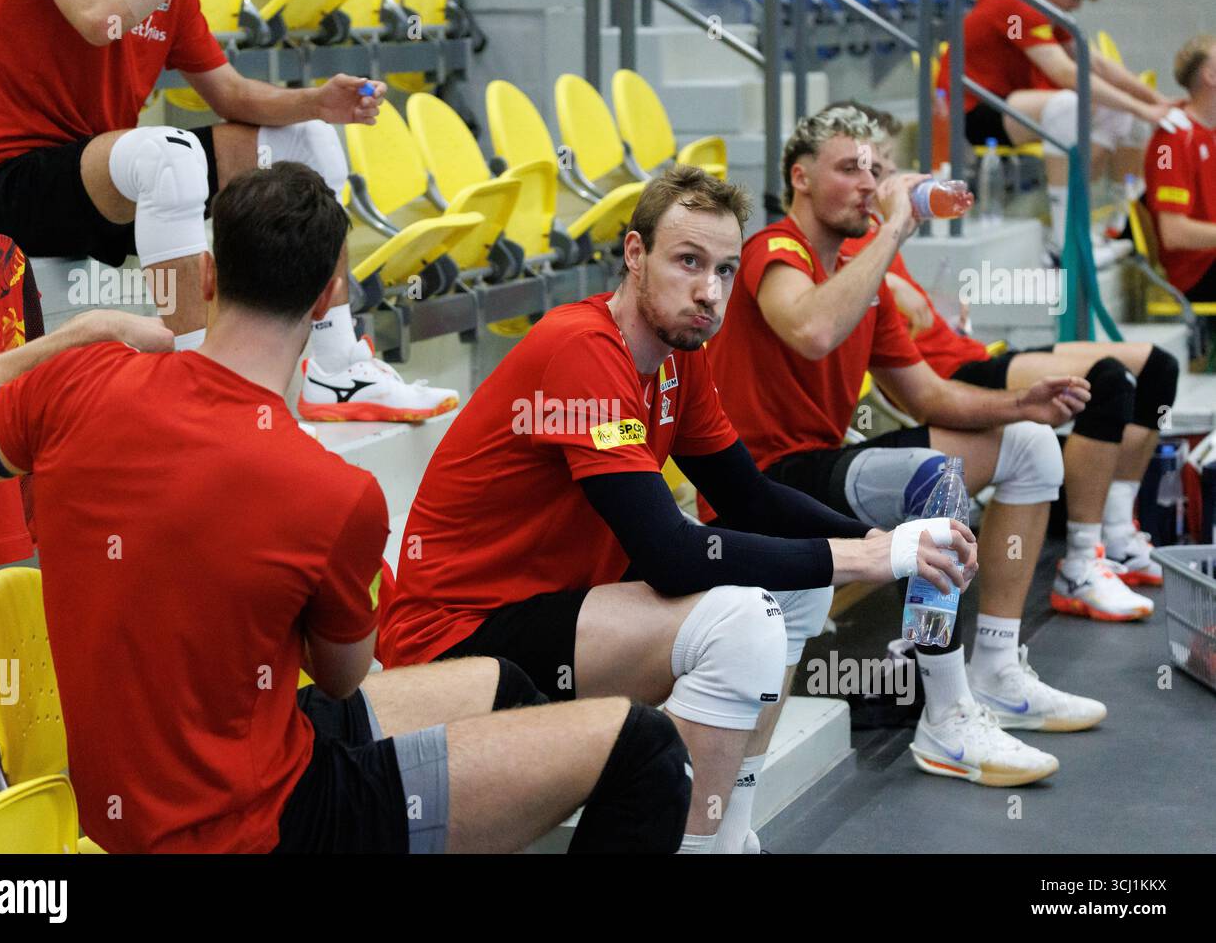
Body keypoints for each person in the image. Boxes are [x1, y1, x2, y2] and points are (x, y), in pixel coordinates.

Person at [0, 163, 695, 854]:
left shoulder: (76, 385)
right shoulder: (333, 495)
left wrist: (74, 336)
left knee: (505, 690)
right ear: (331, 293)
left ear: (211, 276)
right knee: (648, 750)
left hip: (124, 806)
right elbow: (345, 677)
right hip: (262, 823)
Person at [378, 164, 979, 852]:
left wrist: (890, 539)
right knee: (743, 621)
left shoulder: (676, 353)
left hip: (557, 616)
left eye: (725, 270)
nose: (709, 291)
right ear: (635, 256)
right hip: (453, 641)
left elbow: (746, 496)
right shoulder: (581, 348)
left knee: (798, 587)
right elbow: (667, 554)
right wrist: (872, 557)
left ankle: (729, 836)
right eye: (688, 262)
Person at [705, 107, 1108, 790]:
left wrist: (1021, 405)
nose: (869, 184)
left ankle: (998, 671)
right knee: (932, 477)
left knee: (1031, 447)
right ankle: (946, 718)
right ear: (798, 178)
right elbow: (809, 330)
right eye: (848, 168)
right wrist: (895, 226)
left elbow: (928, 396)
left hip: (821, 468)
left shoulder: (861, 279)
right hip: (757, 483)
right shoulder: (771, 251)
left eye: (875, 170)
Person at [0, 0, 454, 421]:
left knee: (309, 140)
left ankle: (338, 368)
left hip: (104, 178)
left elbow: (231, 93)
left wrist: (316, 102)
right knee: (168, 157)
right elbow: (94, 16)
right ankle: (196, 389)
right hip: (14, 186)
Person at [854, 101, 1176, 615]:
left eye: (892, 168)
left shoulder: (884, 231)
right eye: (880, 170)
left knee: (1158, 366)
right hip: (949, 375)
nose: (893, 181)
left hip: (970, 350)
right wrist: (889, 277)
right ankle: (1079, 563)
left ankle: (1117, 536)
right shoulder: (855, 248)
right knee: (1106, 384)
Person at [938, 0, 1185, 261]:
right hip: (972, 110)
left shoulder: (1046, 11)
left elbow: (1095, 64)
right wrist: (1143, 107)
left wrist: (1155, 101)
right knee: (1067, 106)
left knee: (1120, 114)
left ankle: (1117, 225)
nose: (1077, 7)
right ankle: (1063, 242)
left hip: (1011, 104)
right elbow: (1065, 72)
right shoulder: (1013, 3)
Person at [1145, 34, 1216, 303]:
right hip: (1196, 272)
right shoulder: (1173, 139)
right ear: (1210, 76)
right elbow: (1174, 234)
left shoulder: (1210, 133)